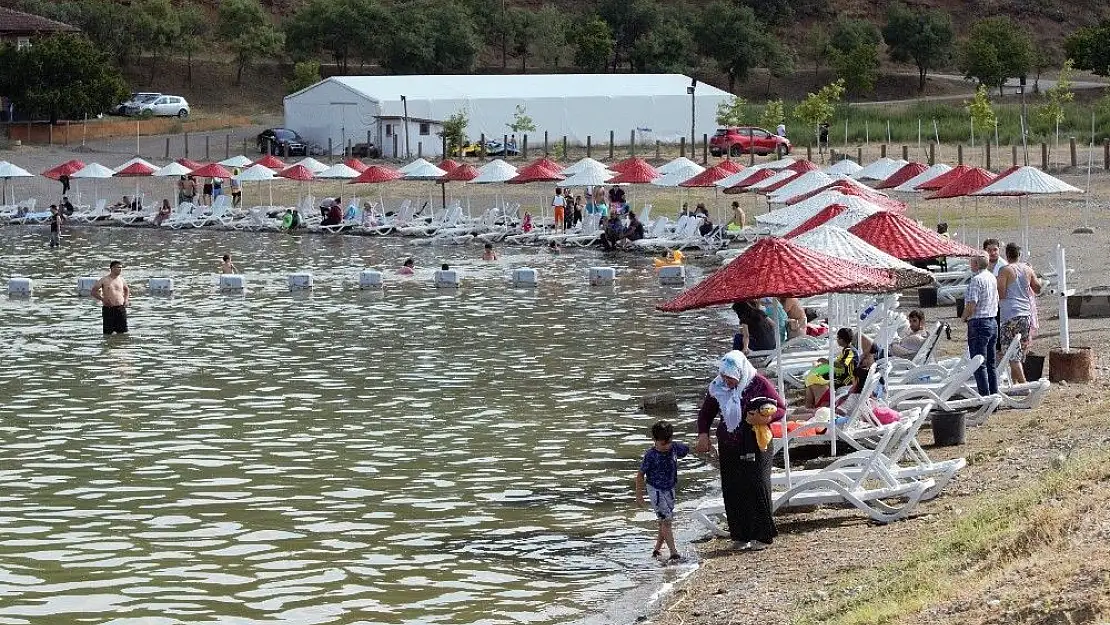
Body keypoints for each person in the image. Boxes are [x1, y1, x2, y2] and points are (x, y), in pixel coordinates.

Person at [695, 350, 785, 550]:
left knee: (757, 484)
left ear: (741, 373)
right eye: (725, 377)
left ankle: (762, 535)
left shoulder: (759, 383)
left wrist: (765, 418)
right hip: (729, 444)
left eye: (731, 379)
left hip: (756, 441)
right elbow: (706, 413)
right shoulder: (717, 387)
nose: (727, 382)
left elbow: (780, 408)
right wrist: (703, 434)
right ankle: (740, 534)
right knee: (733, 488)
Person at [635, 420, 690, 561]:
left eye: (668, 442)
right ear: (654, 440)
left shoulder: (674, 448)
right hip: (656, 489)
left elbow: (689, 449)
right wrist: (639, 495)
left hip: (670, 488)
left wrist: (705, 445)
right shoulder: (650, 455)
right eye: (662, 444)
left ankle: (656, 550)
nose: (666, 446)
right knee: (666, 520)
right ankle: (674, 553)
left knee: (664, 520)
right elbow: (640, 475)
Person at [997, 242, 1041, 384]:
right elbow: (1037, 288)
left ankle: (1023, 385)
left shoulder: (1005, 270)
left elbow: (1001, 293)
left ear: (1006, 255)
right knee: (1020, 351)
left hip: (1010, 314)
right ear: (1019, 255)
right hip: (1025, 314)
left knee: (1010, 353)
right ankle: (1015, 384)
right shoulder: (1027, 269)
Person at [961, 252, 1000, 396]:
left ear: (976, 264)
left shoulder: (976, 280)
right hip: (992, 321)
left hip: (979, 322)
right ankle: (993, 394)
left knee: (978, 363)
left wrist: (964, 317)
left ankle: (985, 397)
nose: (970, 264)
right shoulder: (992, 278)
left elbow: (972, 304)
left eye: (972, 262)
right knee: (990, 363)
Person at [804, 327, 860, 409]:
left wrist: (827, 362)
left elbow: (842, 365)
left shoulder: (850, 351)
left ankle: (814, 405)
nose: (837, 340)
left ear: (841, 339)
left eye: (837, 338)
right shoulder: (846, 350)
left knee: (817, 381)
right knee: (816, 379)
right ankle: (809, 406)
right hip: (842, 375)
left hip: (848, 379)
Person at [91, 261, 130, 336]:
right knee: (108, 333)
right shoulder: (104, 280)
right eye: (118, 267)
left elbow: (127, 289)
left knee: (122, 333)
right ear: (112, 268)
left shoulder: (122, 279)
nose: (120, 269)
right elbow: (93, 292)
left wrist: (126, 299)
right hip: (108, 308)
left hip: (121, 308)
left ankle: (121, 346)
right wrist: (103, 299)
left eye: (121, 268)